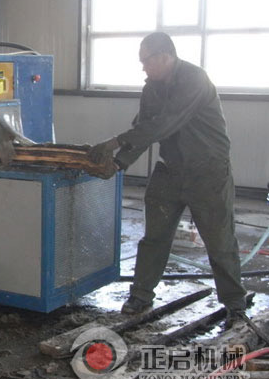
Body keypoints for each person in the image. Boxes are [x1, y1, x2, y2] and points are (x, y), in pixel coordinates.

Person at [88, 32, 246, 327]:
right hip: (170, 170)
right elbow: (144, 128)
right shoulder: (151, 88)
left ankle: (235, 305)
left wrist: (114, 142)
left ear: (165, 56)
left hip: (208, 173)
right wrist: (119, 163)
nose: (143, 67)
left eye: (146, 61)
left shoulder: (194, 79)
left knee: (220, 242)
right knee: (154, 237)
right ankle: (141, 295)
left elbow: (164, 124)